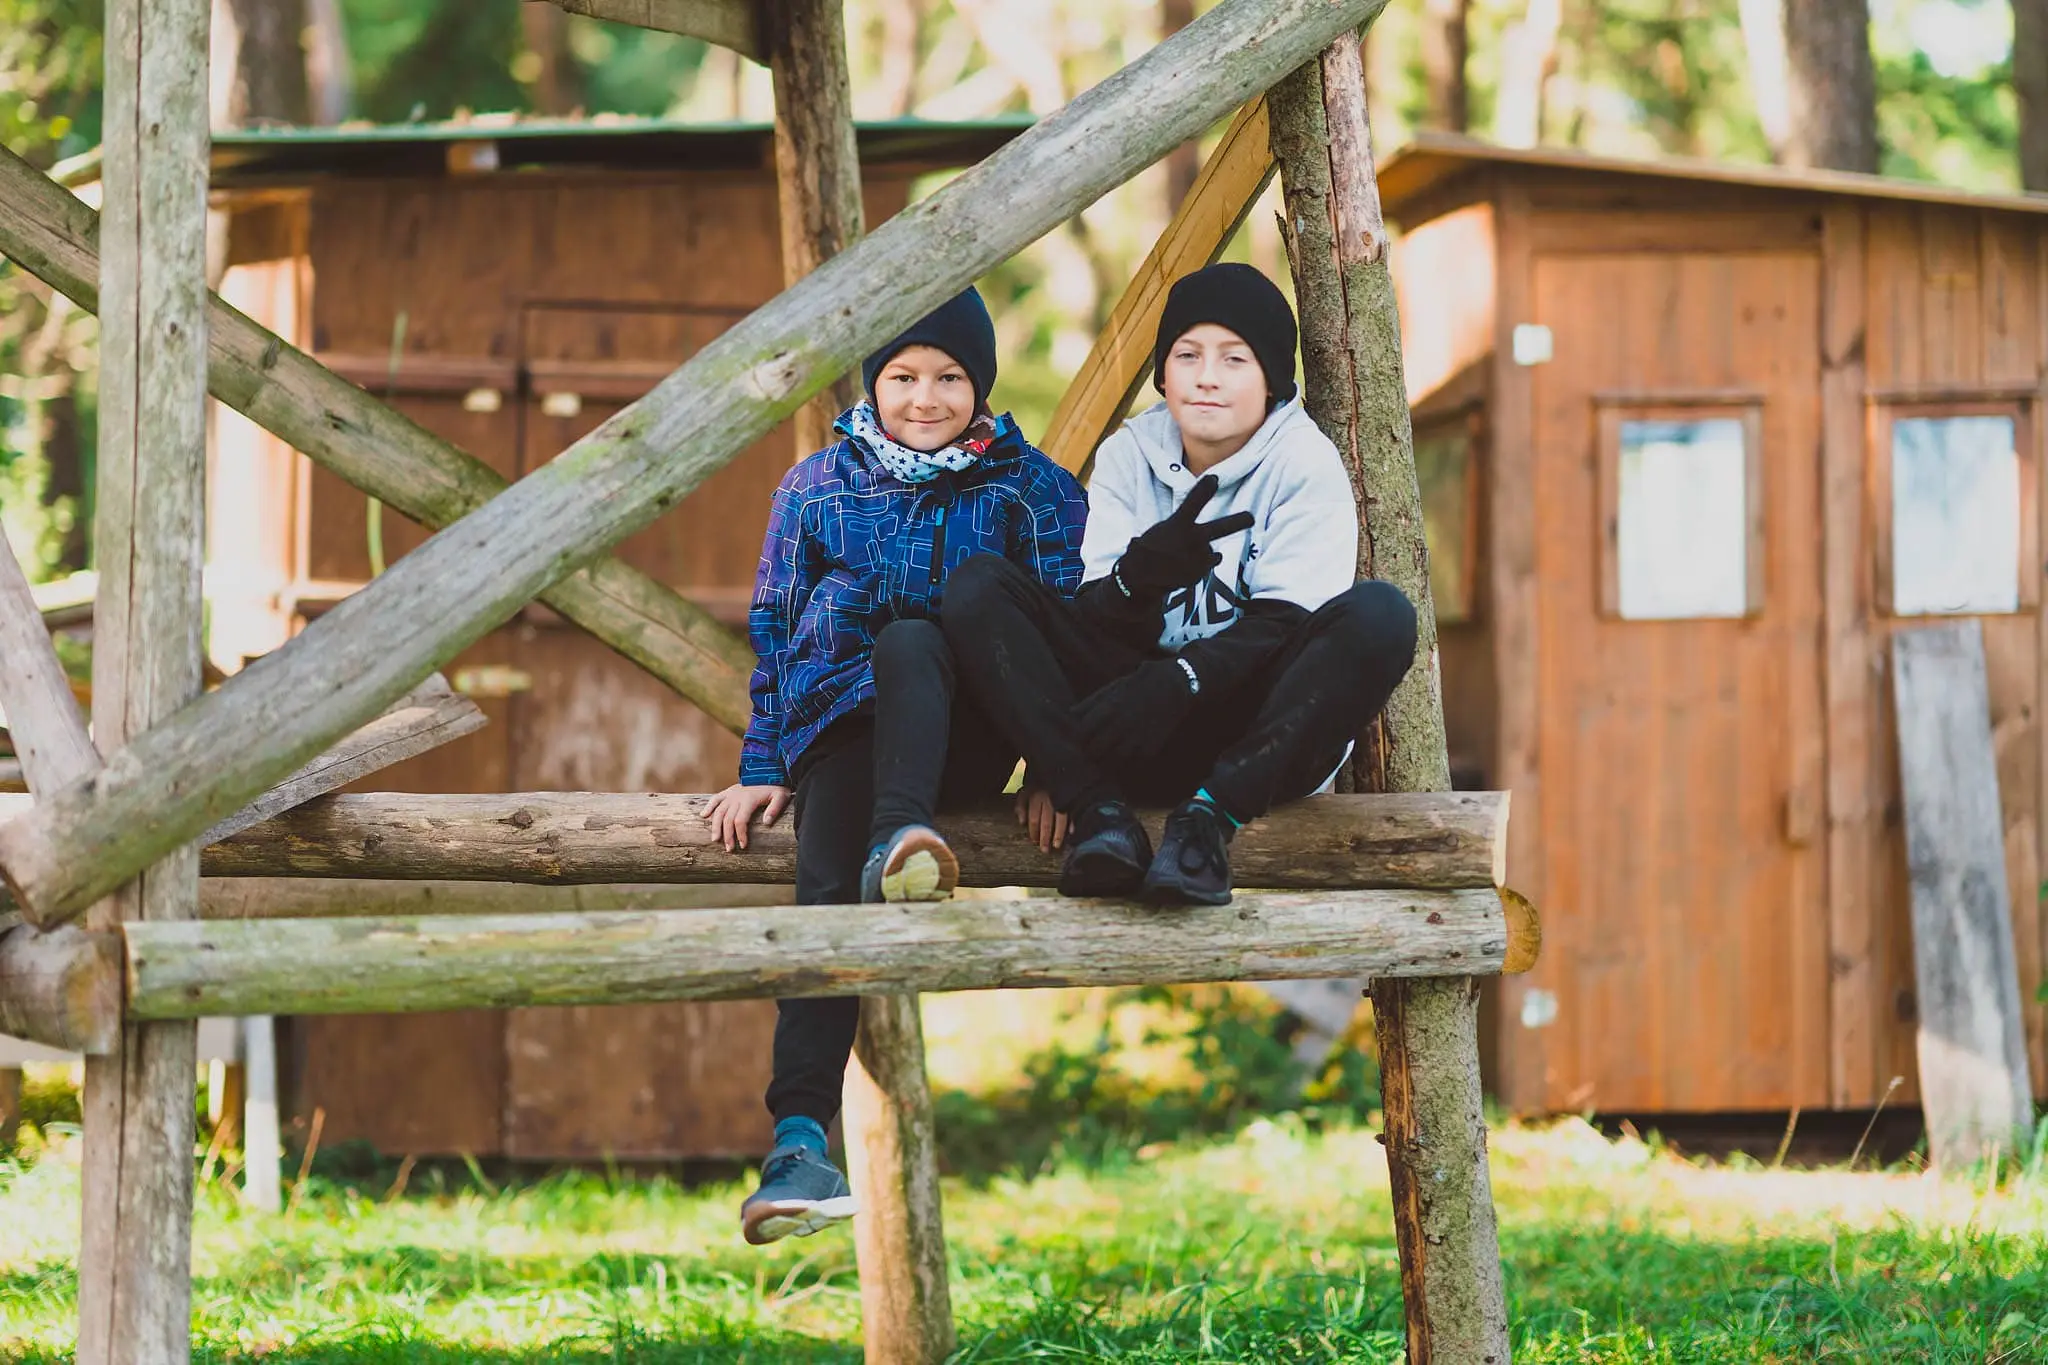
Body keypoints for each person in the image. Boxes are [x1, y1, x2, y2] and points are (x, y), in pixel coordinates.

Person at [705, 287, 1087, 1247]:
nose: (925, 398)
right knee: (823, 888)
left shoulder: (1030, 488)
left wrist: (1057, 765)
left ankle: (905, 836)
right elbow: (778, 632)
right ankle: (797, 1139)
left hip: (965, 741)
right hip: (844, 729)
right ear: (874, 384)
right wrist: (762, 762)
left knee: (920, 633)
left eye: (950, 377)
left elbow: (1065, 639)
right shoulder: (815, 487)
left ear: (981, 387)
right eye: (904, 376)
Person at [944, 262, 1418, 907]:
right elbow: (1094, 624)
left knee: (1381, 616)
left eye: (1235, 358)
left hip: (1255, 738)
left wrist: (1181, 679)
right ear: (1163, 373)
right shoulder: (1127, 454)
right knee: (979, 587)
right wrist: (1136, 586)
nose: (1207, 377)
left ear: (1273, 379)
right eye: (1187, 355)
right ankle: (1098, 810)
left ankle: (1206, 822)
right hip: (1133, 722)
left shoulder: (1303, 461)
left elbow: (1284, 624)